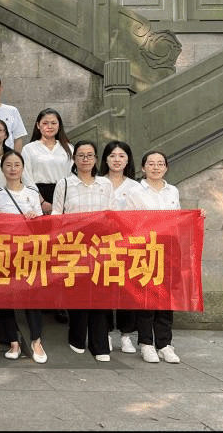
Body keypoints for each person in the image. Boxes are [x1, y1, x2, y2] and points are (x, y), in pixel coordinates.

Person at [52, 140, 114, 362]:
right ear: (74, 159)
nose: (85, 159)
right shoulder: (64, 184)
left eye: (90, 155)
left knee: (100, 294)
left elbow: (111, 215)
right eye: (81, 155)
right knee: (77, 293)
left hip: (99, 246)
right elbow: (56, 214)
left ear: (96, 159)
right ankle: (77, 337)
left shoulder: (105, 184)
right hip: (73, 245)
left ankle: (100, 344)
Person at [0, 150, 47, 364]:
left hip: (29, 251)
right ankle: (12, 341)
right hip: (5, 252)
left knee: (33, 296)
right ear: (2, 169)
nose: (13, 169)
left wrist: (34, 219)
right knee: (5, 296)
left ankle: (36, 340)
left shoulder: (32, 192)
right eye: (8, 165)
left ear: (23, 168)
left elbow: (42, 225)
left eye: (17, 165)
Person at [135, 150, 182, 364]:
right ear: (143, 167)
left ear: (166, 167)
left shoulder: (173, 191)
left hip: (168, 248)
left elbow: (179, 218)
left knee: (166, 297)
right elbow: (127, 221)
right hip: (144, 248)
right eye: (151, 163)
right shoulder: (135, 191)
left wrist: (196, 217)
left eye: (160, 163)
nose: (156, 167)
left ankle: (164, 344)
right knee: (146, 296)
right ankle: (146, 343)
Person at [98, 139, 143, 354]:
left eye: (122, 156)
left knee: (127, 289)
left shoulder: (135, 187)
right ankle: (105, 333)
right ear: (105, 159)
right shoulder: (98, 183)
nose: (117, 160)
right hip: (101, 244)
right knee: (104, 288)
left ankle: (126, 335)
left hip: (128, 244)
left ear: (128, 160)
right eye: (112, 156)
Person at [21, 108, 74, 215]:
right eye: (45, 123)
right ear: (38, 125)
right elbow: (26, 177)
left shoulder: (69, 148)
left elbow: (73, 175)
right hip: (38, 195)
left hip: (63, 195)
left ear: (59, 126)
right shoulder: (29, 149)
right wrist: (41, 202)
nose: (49, 126)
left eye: (53, 123)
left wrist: (63, 199)